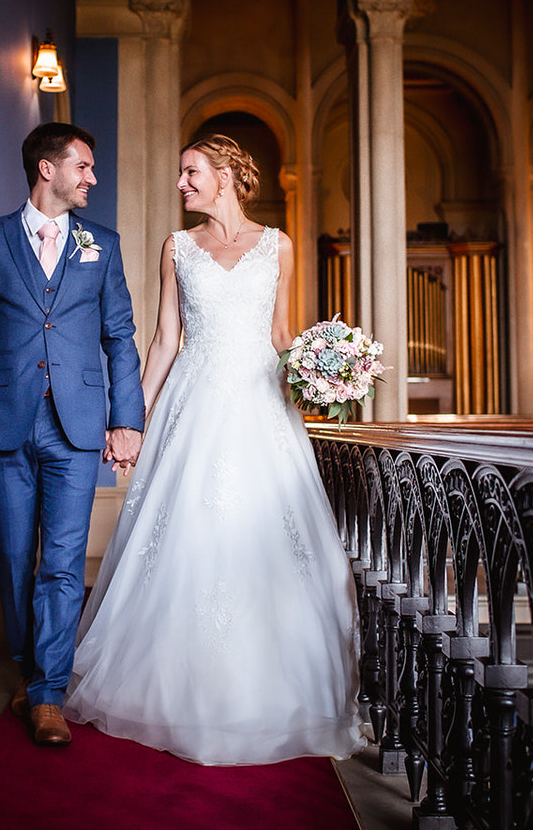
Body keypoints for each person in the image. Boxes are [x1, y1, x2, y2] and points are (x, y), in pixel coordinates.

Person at [62, 133, 365, 765]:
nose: (181, 183)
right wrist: (132, 418)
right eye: (179, 174)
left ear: (225, 174)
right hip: (192, 406)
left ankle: (278, 691)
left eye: (190, 172)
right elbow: (166, 339)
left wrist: (321, 371)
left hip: (262, 409)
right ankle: (172, 688)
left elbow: (282, 333)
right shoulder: (177, 248)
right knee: (187, 533)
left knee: (273, 543)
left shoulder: (277, 246)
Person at [0, 122, 144, 747]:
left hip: (78, 427)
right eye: (83, 166)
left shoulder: (102, 245)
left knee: (61, 561)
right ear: (46, 170)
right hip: (6, 423)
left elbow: (120, 337)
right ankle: (31, 672)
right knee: (12, 557)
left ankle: (49, 693)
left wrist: (126, 420)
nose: (92, 177)